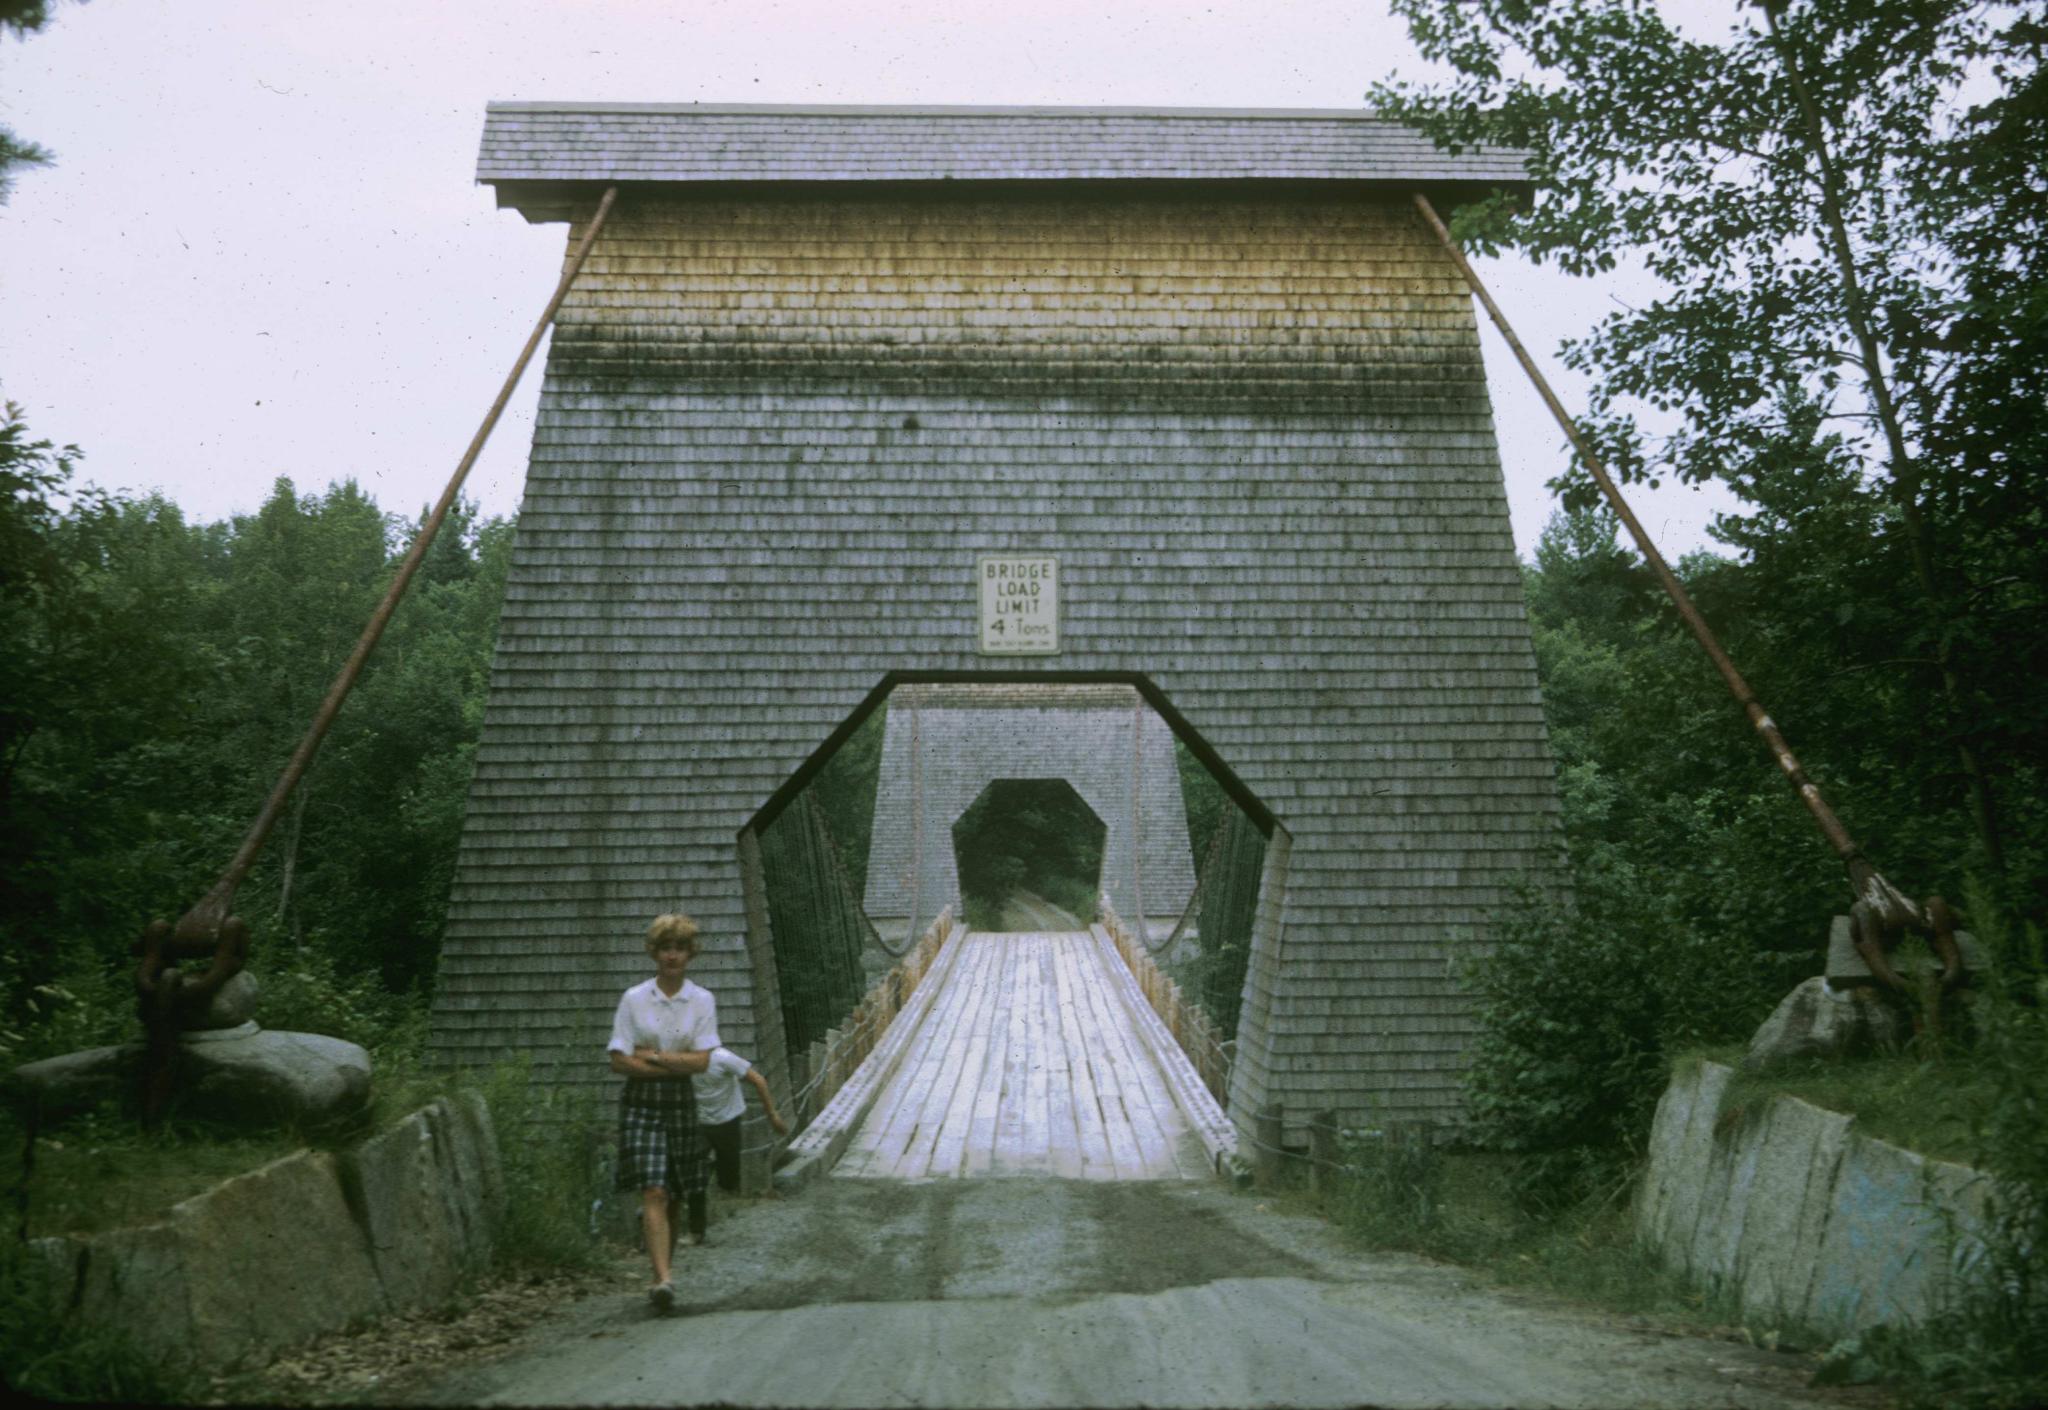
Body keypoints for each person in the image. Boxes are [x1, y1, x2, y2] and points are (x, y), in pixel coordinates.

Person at [606, 913, 717, 1312]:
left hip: (680, 1102)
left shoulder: (702, 1000)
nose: (673, 956)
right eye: (666, 948)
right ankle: (664, 1279)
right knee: (653, 1189)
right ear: (654, 953)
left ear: (690, 954)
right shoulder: (634, 999)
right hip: (642, 1102)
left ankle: (660, 1275)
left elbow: (702, 1062)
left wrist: (650, 1054)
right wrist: (676, 1061)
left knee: (673, 1196)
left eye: (680, 948)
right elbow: (618, 1061)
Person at [637, 1035, 788, 1245]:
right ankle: (696, 1231)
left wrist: (773, 1116)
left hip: (727, 1120)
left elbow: (758, 1080)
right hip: (699, 1123)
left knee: (729, 1179)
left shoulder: (723, 1058)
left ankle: (713, 1171)